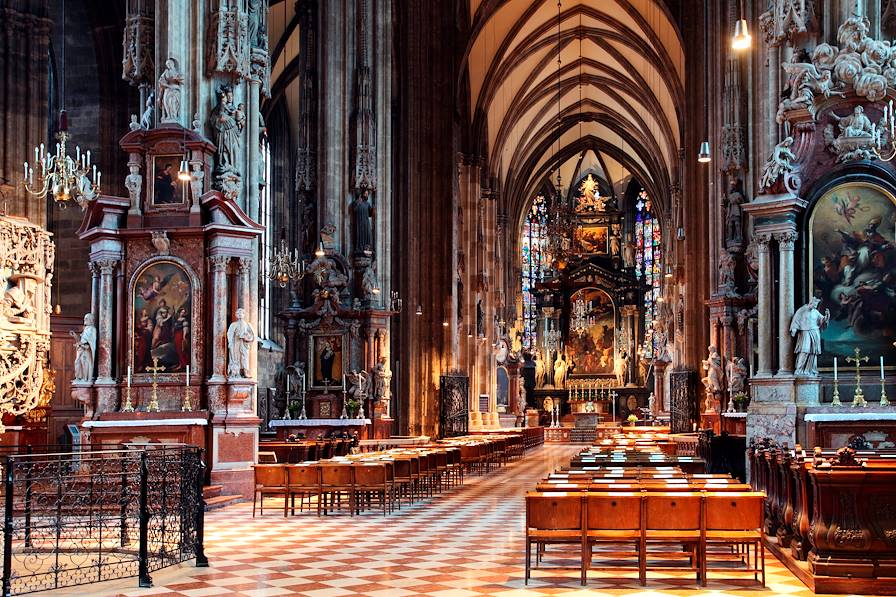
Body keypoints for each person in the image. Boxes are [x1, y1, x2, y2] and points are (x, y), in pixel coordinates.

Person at [790, 297, 831, 375]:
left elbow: (822, 321)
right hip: (805, 332)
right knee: (804, 350)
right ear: (810, 303)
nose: (815, 307)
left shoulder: (815, 312)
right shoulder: (802, 310)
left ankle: (810, 370)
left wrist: (827, 316)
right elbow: (796, 319)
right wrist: (794, 329)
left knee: (813, 352)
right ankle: (799, 369)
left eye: (816, 306)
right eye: (814, 305)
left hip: (815, 332)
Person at [226, 308, 255, 378]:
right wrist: (230, 342)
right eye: (238, 313)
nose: (239, 314)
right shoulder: (233, 324)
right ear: (236, 315)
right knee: (235, 357)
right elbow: (229, 334)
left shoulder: (248, 325)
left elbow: (253, 335)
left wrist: (247, 338)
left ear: (244, 314)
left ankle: (245, 372)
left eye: (241, 313)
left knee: (244, 357)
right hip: (236, 343)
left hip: (244, 343)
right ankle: (235, 372)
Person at [70, 313, 97, 382]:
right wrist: (75, 336)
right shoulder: (85, 329)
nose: (85, 320)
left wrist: (82, 344)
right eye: (84, 318)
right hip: (81, 350)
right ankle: (79, 378)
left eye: (87, 318)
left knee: (85, 363)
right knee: (77, 363)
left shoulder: (92, 329)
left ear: (91, 320)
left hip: (87, 351)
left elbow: (91, 342)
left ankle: (85, 379)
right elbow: (81, 340)